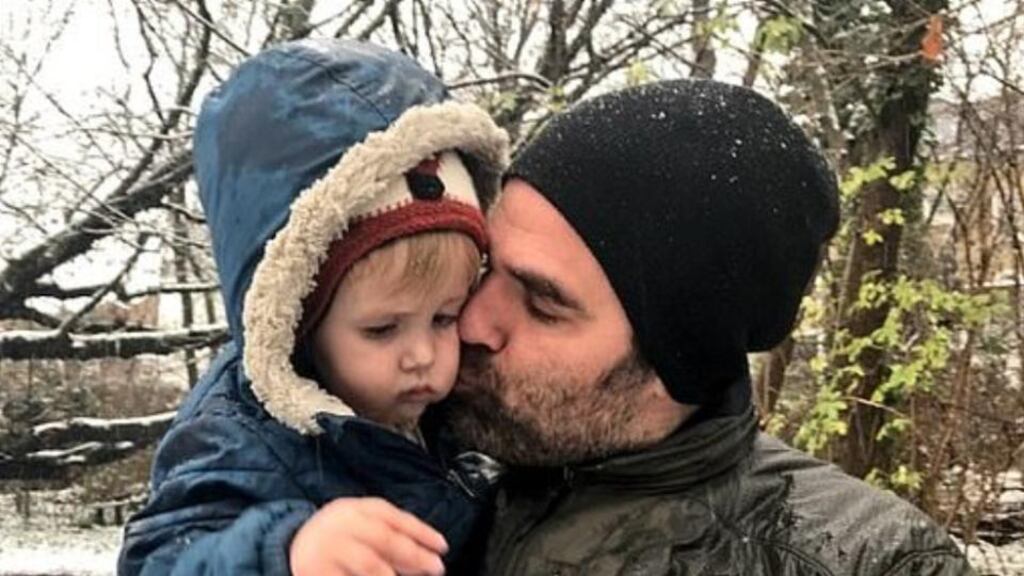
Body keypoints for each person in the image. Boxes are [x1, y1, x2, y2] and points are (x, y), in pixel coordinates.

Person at [435, 79, 977, 575]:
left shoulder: (868, 562)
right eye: (485, 267)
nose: (472, 321)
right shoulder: (396, 449)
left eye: (544, 303)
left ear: (678, 360)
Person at [117, 38, 508, 576]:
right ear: (299, 322)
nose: (422, 354)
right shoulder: (237, 436)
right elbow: (159, 561)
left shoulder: (458, 414)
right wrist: (286, 553)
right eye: (381, 329)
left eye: (444, 317)